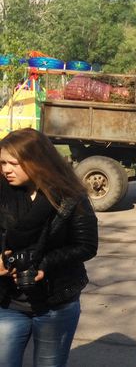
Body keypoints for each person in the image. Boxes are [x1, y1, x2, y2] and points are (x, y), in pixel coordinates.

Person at [0, 128, 99, 366]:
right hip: (7, 302)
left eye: (13, 163)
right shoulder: (2, 193)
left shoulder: (69, 196)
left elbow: (86, 246)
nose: (5, 170)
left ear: (37, 162)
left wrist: (46, 264)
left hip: (56, 303)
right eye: (2, 162)